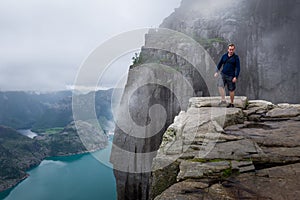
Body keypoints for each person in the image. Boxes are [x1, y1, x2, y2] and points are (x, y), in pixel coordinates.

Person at [214, 43, 240, 108]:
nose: (231, 51)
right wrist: (216, 71)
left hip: (231, 75)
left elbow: (238, 68)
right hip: (223, 74)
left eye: (232, 49)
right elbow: (220, 64)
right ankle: (223, 100)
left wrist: (236, 76)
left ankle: (231, 103)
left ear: (234, 50)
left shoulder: (236, 58)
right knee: (220, 86)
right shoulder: (224, 56)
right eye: (230, 49)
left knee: (231, 89)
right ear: (228, 49)